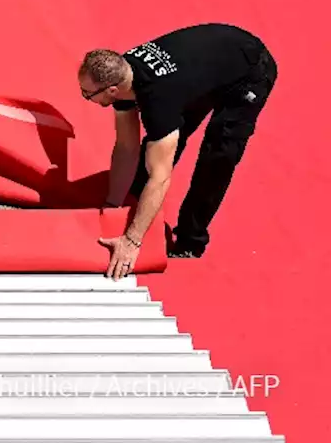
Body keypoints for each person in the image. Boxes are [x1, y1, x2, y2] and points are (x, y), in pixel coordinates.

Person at [77, 23, 277, 279]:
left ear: (111, 90)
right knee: (161, 141)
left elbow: (160, 177)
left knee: (218, 155)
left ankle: (190, 240)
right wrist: (113, 206)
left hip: (249, 70)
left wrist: (132, 241)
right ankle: (135, 204)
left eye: (87, 94)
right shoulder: (121, 73)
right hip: (203, 70)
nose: (84, 97)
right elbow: (126, 148)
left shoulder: (158, 101)